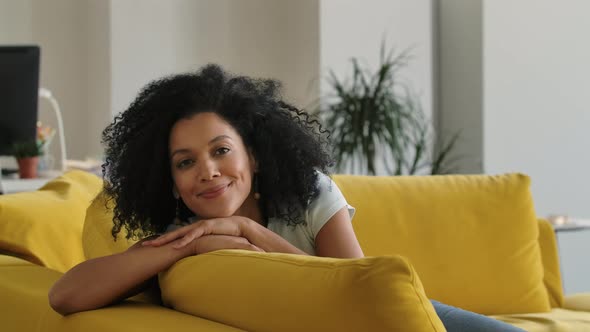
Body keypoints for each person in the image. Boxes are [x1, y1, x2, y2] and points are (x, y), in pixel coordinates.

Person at [48, 64, 523, 332]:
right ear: (170, 181)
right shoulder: (181, 236)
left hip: (415, 317)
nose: (208, 171)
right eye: (185, 162)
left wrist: (249, 231)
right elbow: (65, 294)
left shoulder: (309, 192)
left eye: (221, 151)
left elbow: (353, 288)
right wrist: (191, 244)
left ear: (252, 157)